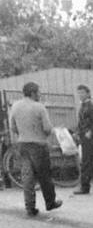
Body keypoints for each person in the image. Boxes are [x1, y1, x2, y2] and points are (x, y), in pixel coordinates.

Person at [8, 82, 62, 218]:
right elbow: (48, 128)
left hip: (23, 144)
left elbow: (13, 127)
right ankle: (50, 202)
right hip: (38, 145)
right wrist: (43, 133)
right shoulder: (39, 107)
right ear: (33, 93)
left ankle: (30, 207)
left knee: (27, 176)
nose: (40, 94)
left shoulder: (15, 106)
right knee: (44, 175)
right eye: (38, 92)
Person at [72, 84, 93, 194]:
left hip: (89, 138)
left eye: (82, 92)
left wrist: (90, 133)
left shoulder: (92, 107)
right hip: (83, 137)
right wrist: (77, 132)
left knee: (86, 162)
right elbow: (80, 123)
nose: (80, 95)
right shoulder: (82, 106)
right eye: (79, 93)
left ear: (88, 93)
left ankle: (85, 187)